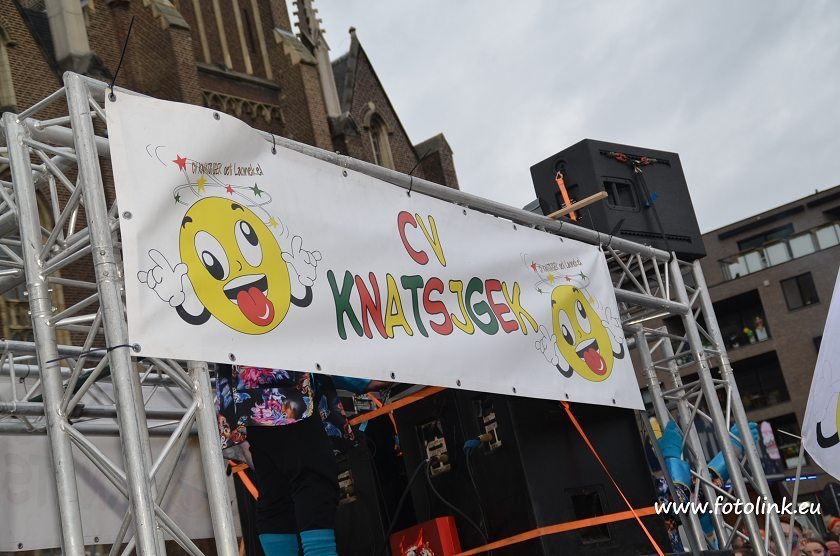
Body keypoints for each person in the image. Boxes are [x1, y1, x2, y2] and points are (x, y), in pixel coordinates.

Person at [216, 364, 384, 556]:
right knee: (313, 482)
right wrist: (360, 380)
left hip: (247, 400)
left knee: (276, 491)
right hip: (286, 394)